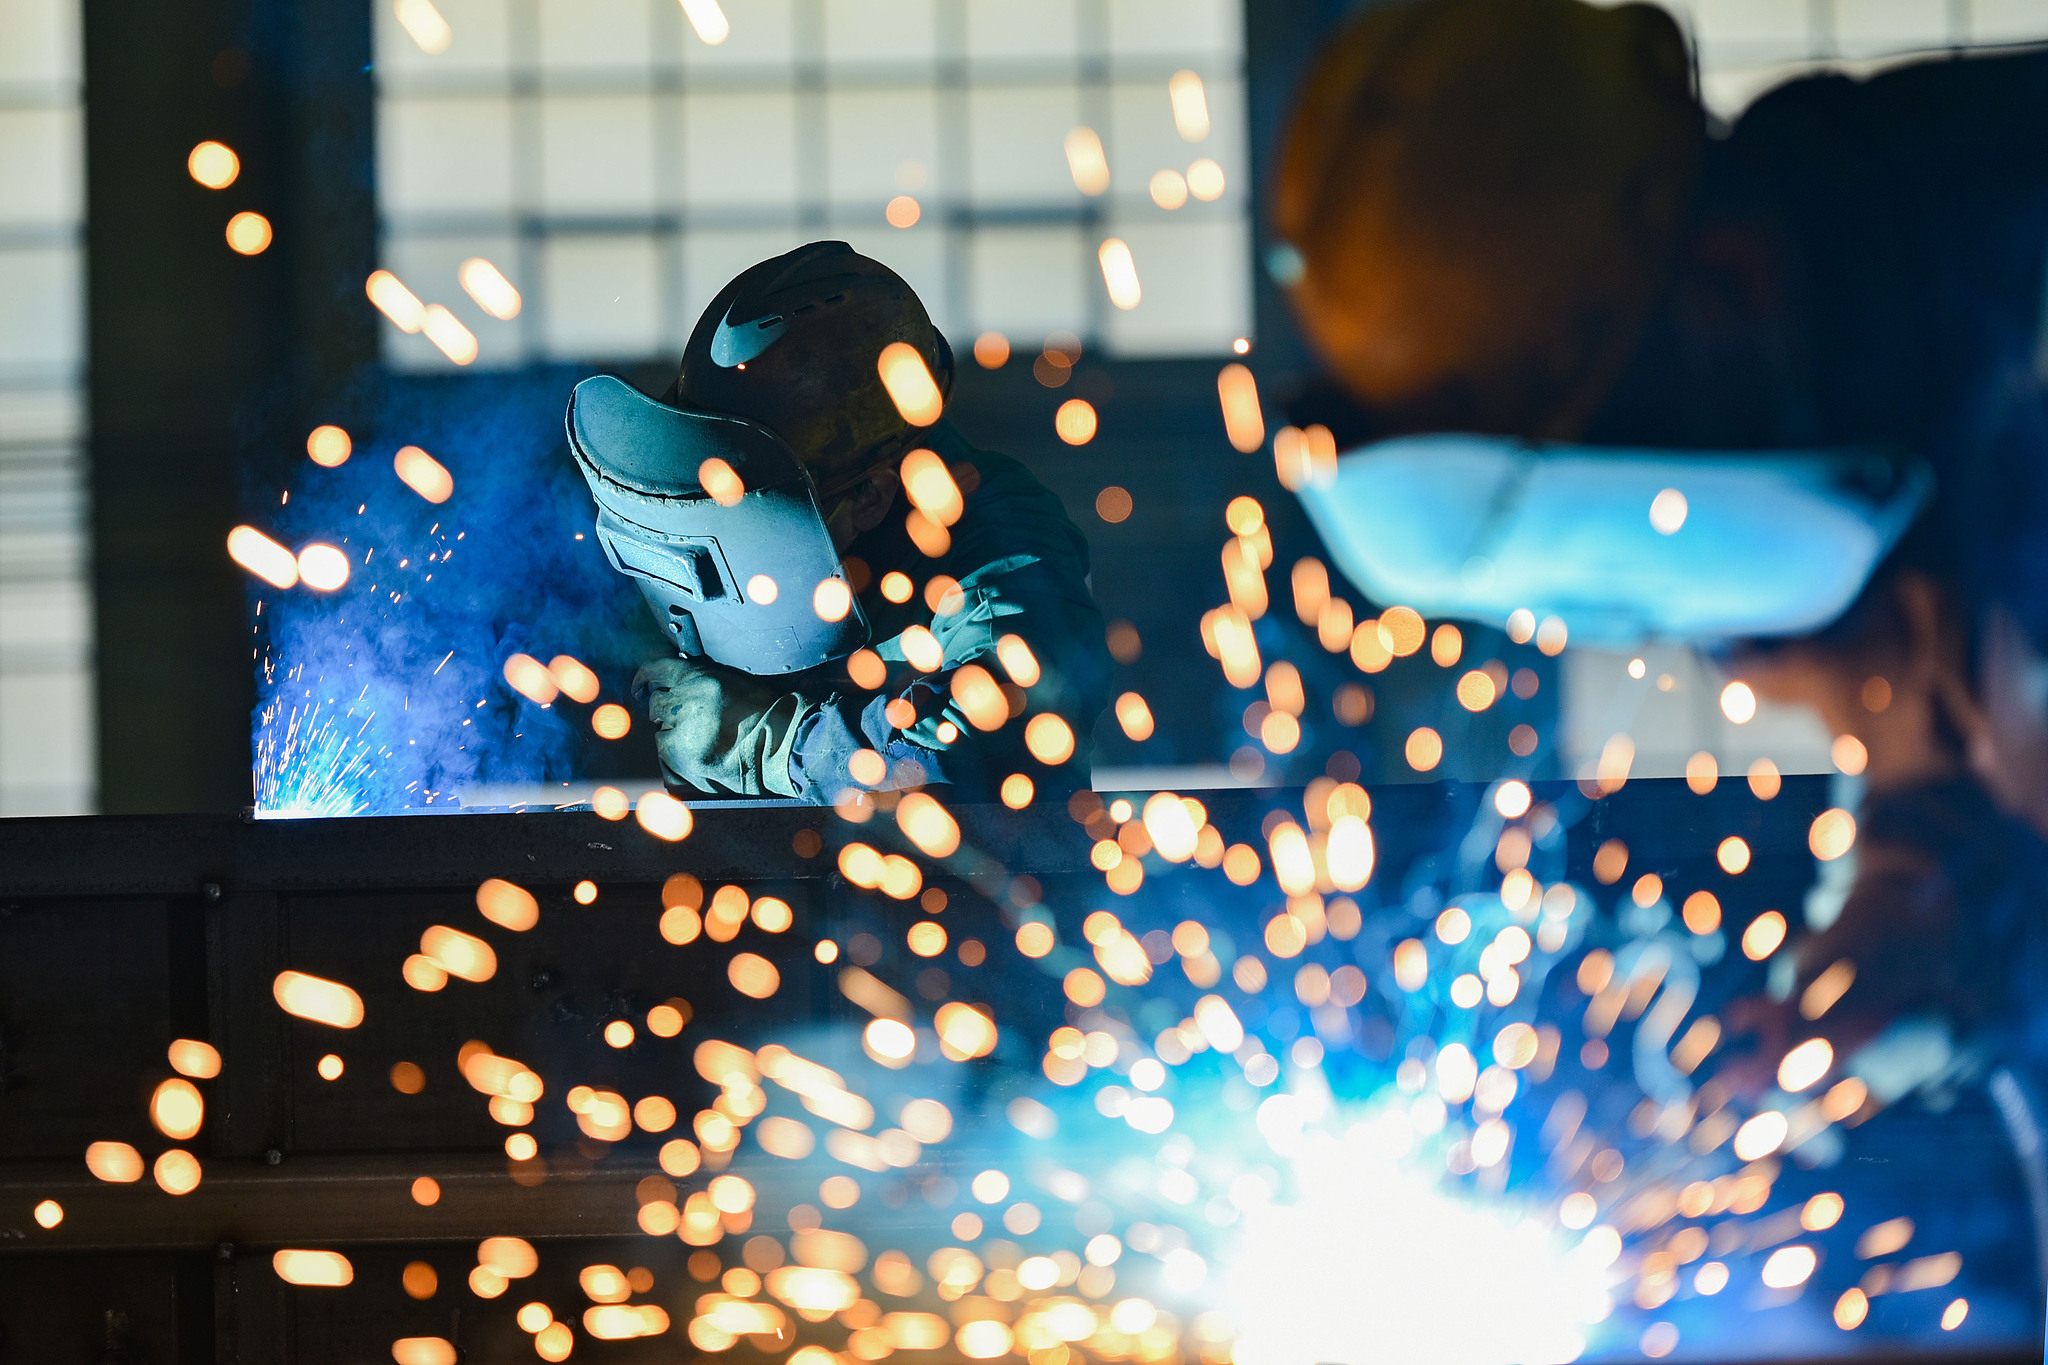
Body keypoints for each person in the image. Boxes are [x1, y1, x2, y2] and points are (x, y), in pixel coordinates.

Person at [627, 241, 1109, 804]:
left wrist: (771, 744)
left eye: (762, 515)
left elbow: (989, 751)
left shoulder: (999, 533)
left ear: (870, 496)